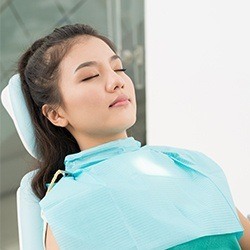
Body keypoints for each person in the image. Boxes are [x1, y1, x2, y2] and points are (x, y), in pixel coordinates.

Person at [8, 23, 250, 249]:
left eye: (118, 68)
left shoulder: (188, 163)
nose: (116, 81)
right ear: (55, 113)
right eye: (90, 76)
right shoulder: (68, 206)